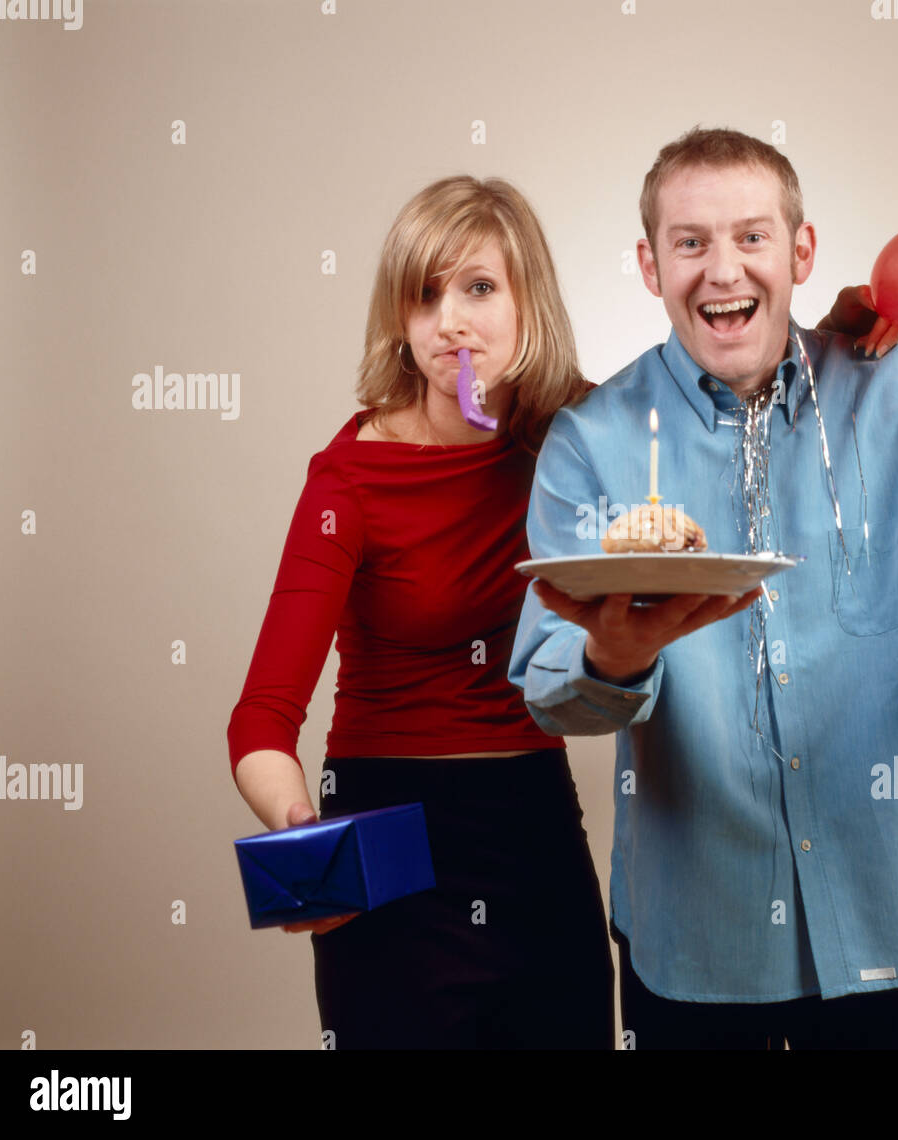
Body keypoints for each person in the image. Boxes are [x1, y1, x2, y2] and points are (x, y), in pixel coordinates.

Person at [508, 127, 898, 1051]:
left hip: (880, 927)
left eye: (752, 236)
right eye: (690, 241)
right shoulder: (592, 442)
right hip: (693, 944)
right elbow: (553, 690)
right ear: (648, 262)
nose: (722, 270)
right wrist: (611, 658)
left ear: (802, 250)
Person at [225, 175, 613, 1049]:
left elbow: (712, 383)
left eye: (478, 288)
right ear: (399, 320)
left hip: (532, 822)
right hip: (386, 827)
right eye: (424, 295)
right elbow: (260, 719)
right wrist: (305, 841)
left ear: (528, 301)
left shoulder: (581, 434)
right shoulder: (350, 478)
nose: (451, 322)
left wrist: (844, 331)